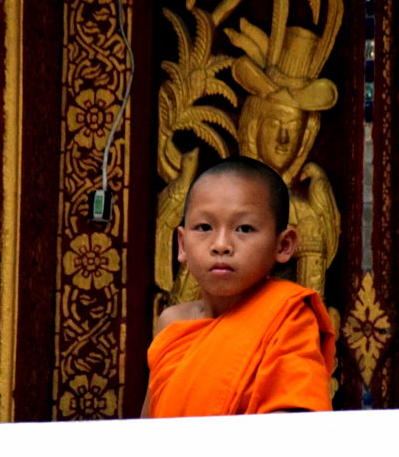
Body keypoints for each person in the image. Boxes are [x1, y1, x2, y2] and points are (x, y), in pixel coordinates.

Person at [143, 156, 336, 417]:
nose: (221, 244)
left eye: (244, 228)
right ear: (182, 244)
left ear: (284, 245)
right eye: (204, 227)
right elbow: (147, 427)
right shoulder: (172, 323)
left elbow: (293, 429)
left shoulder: (287, 317)